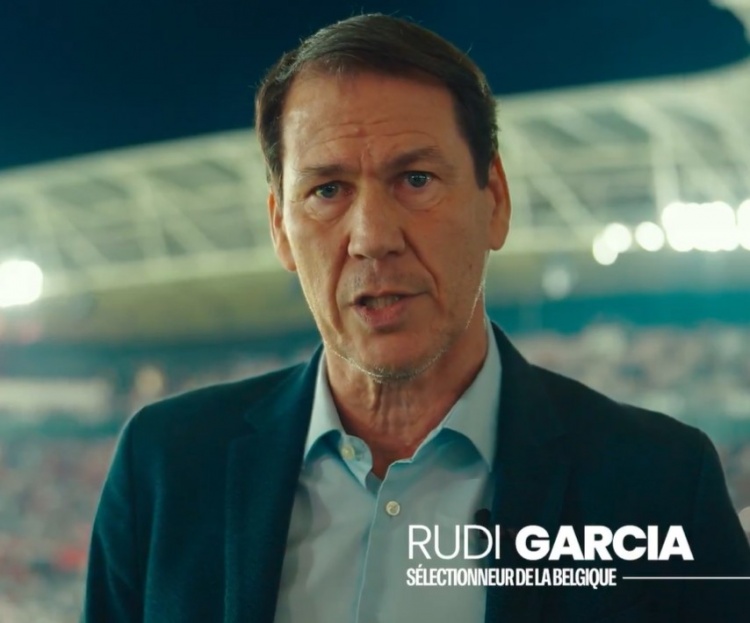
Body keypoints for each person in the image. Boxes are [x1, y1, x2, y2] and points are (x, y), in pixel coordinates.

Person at [82, 13, 750, 623]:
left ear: (495, 201)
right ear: (280, 228)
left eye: (416, 180)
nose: (373, 237)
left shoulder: (660, 481)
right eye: (327, 190)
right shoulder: (163, 468)